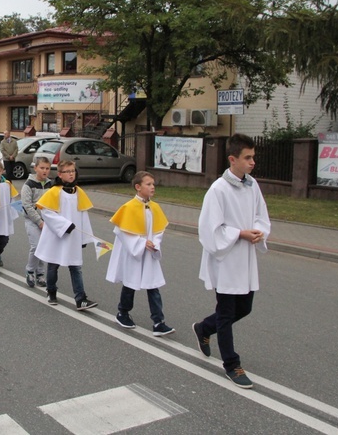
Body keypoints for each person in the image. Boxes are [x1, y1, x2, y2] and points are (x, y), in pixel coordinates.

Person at [192, 134, 271, 390]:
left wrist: (259, 231)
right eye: (247, 158)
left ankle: (204, 328)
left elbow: (261, 215)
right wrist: (239, 233)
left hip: (245, 258)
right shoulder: (218, 190)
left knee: (244, 308)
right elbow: (209, 229)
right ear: (232, 159)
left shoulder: (252, 185)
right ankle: (231, 365)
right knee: (226, 314)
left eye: (253, 157)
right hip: (225, 259)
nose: (252, 162)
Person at [105, 171, 175, 336]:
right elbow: (123, 232)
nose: (152, 187)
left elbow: (159, 230)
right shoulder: (128, 207)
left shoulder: (154, 207)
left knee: (153, 285)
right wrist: (141, 243)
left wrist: (155, 243)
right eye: (148, 184)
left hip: (149, 252)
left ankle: (158, 322)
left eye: (153, 184)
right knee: (130, 283)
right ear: (138, 187)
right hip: (134, 252)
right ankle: (122, 313)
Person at [35, 160, 97, 310]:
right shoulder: (54, 192)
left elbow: (83, 216)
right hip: (57, 235)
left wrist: (85, 238)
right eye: (67, 171)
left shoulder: (79, 192)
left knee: (76, 266)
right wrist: (64, 225)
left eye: (73, 171)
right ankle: (51, 292)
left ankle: (80, 299)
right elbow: (46, 212)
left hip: (73, 237)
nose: (71, 174)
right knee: (53, 265)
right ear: (60, 174)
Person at [21, 156, 52, 288]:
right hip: (32, 221)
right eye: (42, 168)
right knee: (36, 246)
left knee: (42, 247)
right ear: (35, 168)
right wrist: (39, 222)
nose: (45, 171)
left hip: (47, 222)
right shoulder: (28, 185)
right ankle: (29, 271)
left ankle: (40, 273)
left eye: (47, 168)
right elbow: (27, 206)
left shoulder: (50, 184)